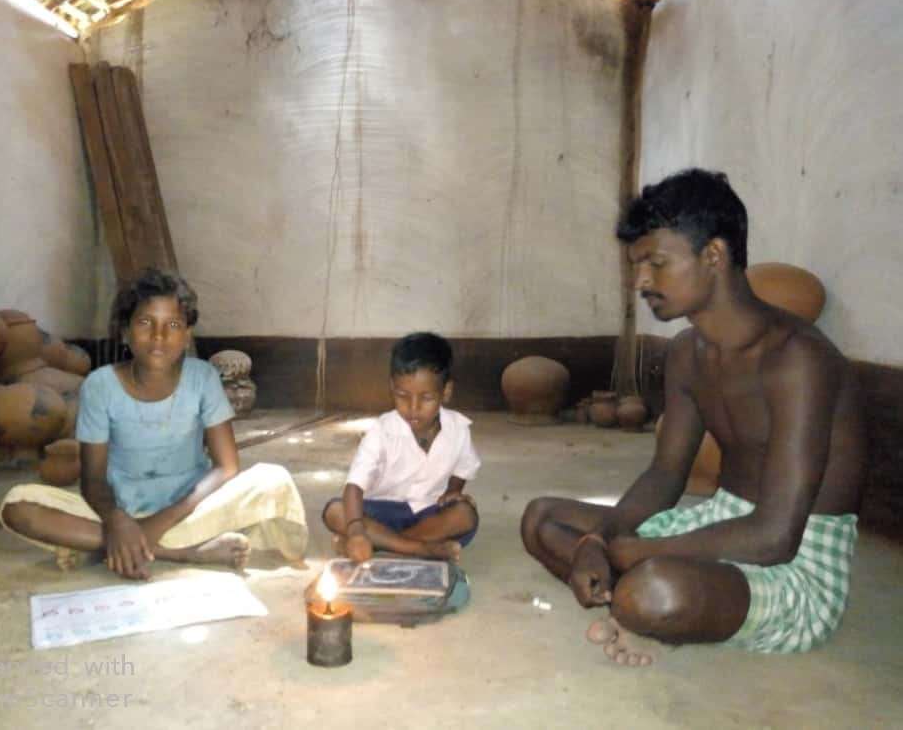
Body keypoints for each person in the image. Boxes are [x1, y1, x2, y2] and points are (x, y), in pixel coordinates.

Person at [521, 169, 867, 664]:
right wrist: (601, 539)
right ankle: (628, 594)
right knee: (542, 517)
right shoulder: (687, 352)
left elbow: (775, 537)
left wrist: (639, 553)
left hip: (795, 562)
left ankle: (633, 597)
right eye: (638, 266)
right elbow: (665, 475)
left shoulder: (798, 360)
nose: (641, 281)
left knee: (655, 591)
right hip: (719, 522)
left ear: (714, 255)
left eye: (656, 263)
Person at [0, 268, 308, 580]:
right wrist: (117, 520)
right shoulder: (100, 386)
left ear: (186, 336)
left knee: (273, 479)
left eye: (173, 325)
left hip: (191, 507)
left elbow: (226, 467)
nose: (159, 335)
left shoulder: (203, 378)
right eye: (145, 322)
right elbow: (92, 480)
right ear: (125, 331)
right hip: (120, 508)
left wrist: (158, 523)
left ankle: (108, 545)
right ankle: (183, 552)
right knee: (18, 506)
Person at [322, 332, 481, 562]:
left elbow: (464, 467)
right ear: (392, 387)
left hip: (428, 511)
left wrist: (453, 492)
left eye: (426, 398)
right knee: (335, 511)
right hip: (382, 511)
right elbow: (354, 485)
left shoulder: (459, 429)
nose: (413, 407)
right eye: (402, 395)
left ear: (445, 392)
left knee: (465, 516)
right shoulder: (382, 430)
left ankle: (383, 544)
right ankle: (420, 549)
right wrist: (356, 530)